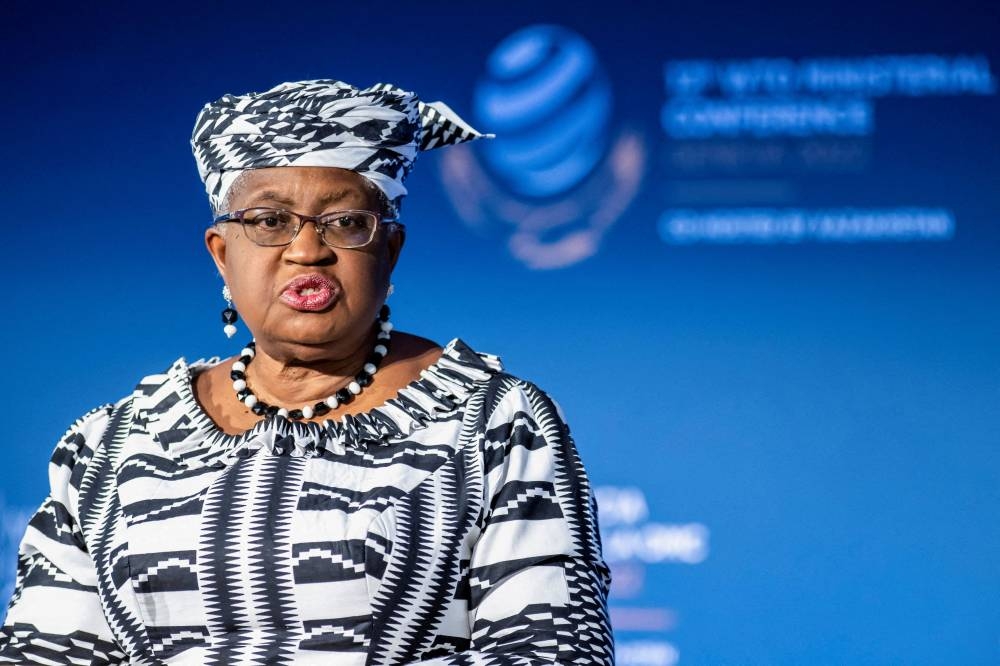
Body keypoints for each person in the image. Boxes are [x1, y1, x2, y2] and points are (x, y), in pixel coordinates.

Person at [0, 79, 613, 665]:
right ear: (222, 254)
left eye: (345, 222)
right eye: (270, 221)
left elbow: (556, 651)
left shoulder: (492, 425)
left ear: (389, 250)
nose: (307, 250)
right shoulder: (111, 447)